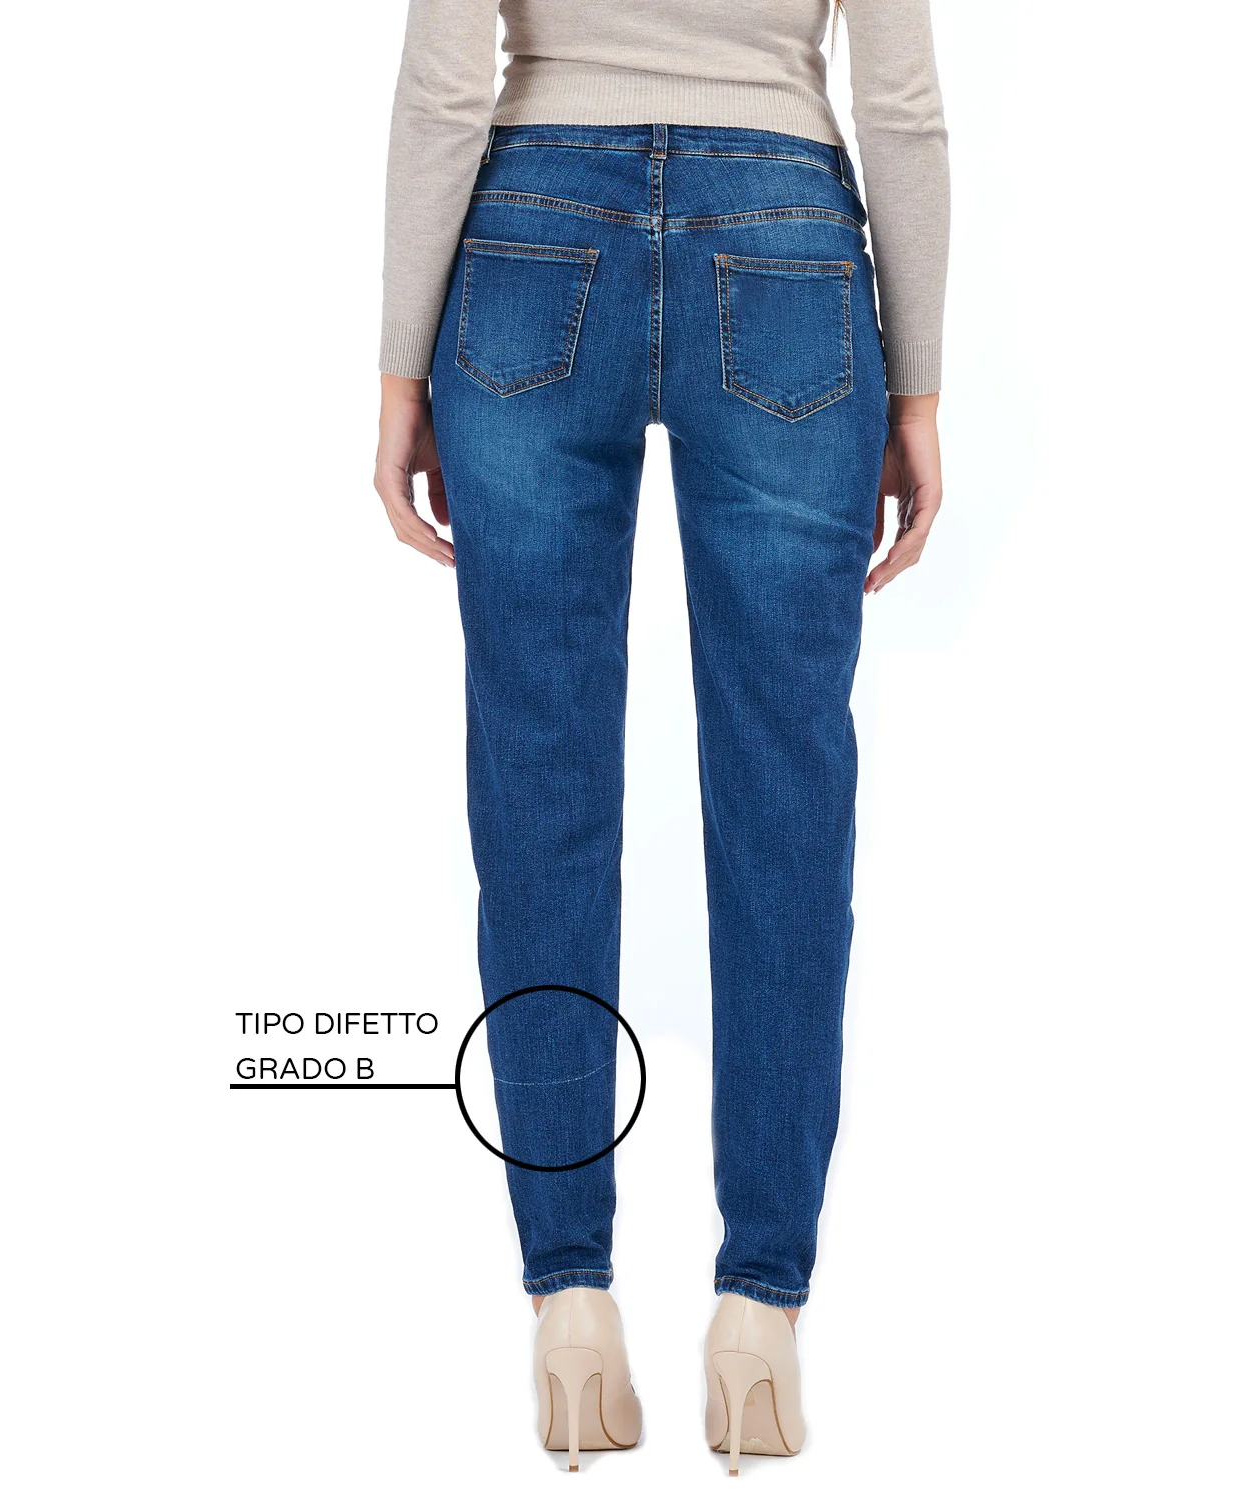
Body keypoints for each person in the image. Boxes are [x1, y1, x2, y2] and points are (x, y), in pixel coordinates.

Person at [372, 0, 949, 1474]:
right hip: (787, 247)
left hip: (527, 245)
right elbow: (900, 104)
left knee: (538, 792)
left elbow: (445, 82)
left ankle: (568, 1303)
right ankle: (761, 1316)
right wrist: (919, 384)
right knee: (786, 803)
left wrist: (399, 369)